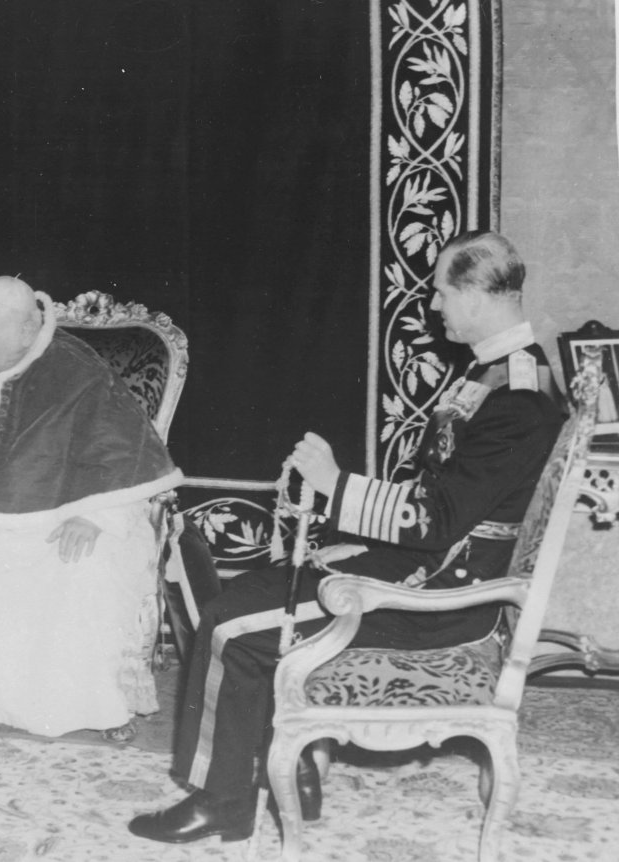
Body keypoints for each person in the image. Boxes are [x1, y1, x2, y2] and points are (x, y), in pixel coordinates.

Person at [129, 230, 564, 844]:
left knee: (231, 626)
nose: (435, 307)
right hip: (429, 566)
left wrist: (337, 485)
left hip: (443, 604)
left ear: (473, 293)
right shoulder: (496, 374)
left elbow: (439, 518)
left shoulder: (518, 399)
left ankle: (222, 801)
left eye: (441, 293)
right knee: (258, 585)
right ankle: (292, 766)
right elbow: (451, 502)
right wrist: (364, 543)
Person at [0, 276, 184, 739]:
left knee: (82, 565)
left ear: (24, 331)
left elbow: (124, 451)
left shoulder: (78, 368)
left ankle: (80, 708)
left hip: (66, 518)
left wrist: (95, 516)